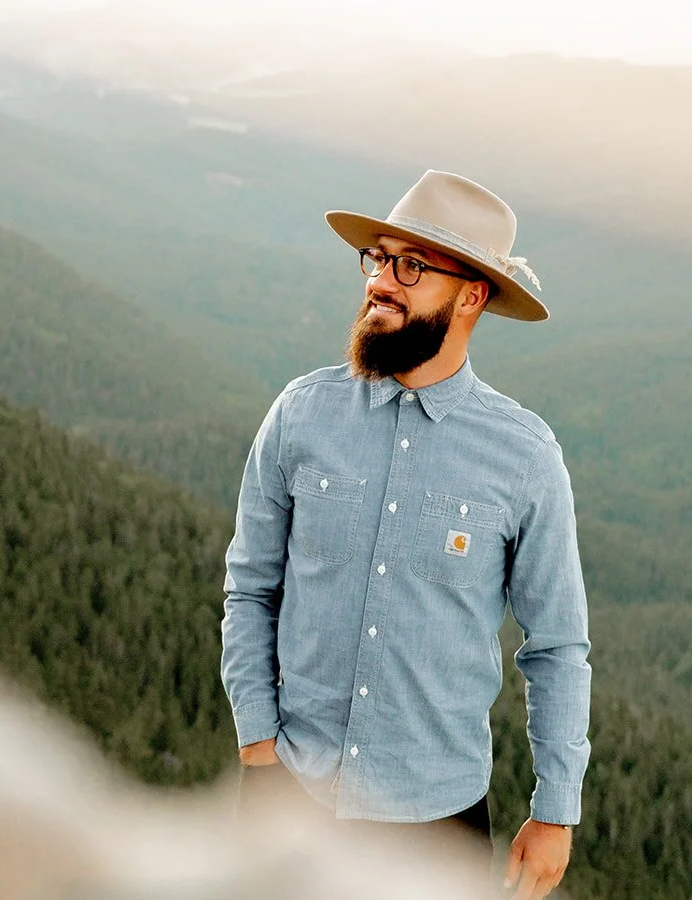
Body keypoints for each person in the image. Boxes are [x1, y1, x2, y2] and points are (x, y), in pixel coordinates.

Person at [220, 170, 592, 900]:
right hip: (292, 797)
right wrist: (258, 749)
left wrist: (555, 812)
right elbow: (250, 588)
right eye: (379, 259)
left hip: (437, 829)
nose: (381, 281)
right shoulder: (300, 416)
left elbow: (557, 647)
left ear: (471, 294)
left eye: (411, 266)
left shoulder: (524, 458)